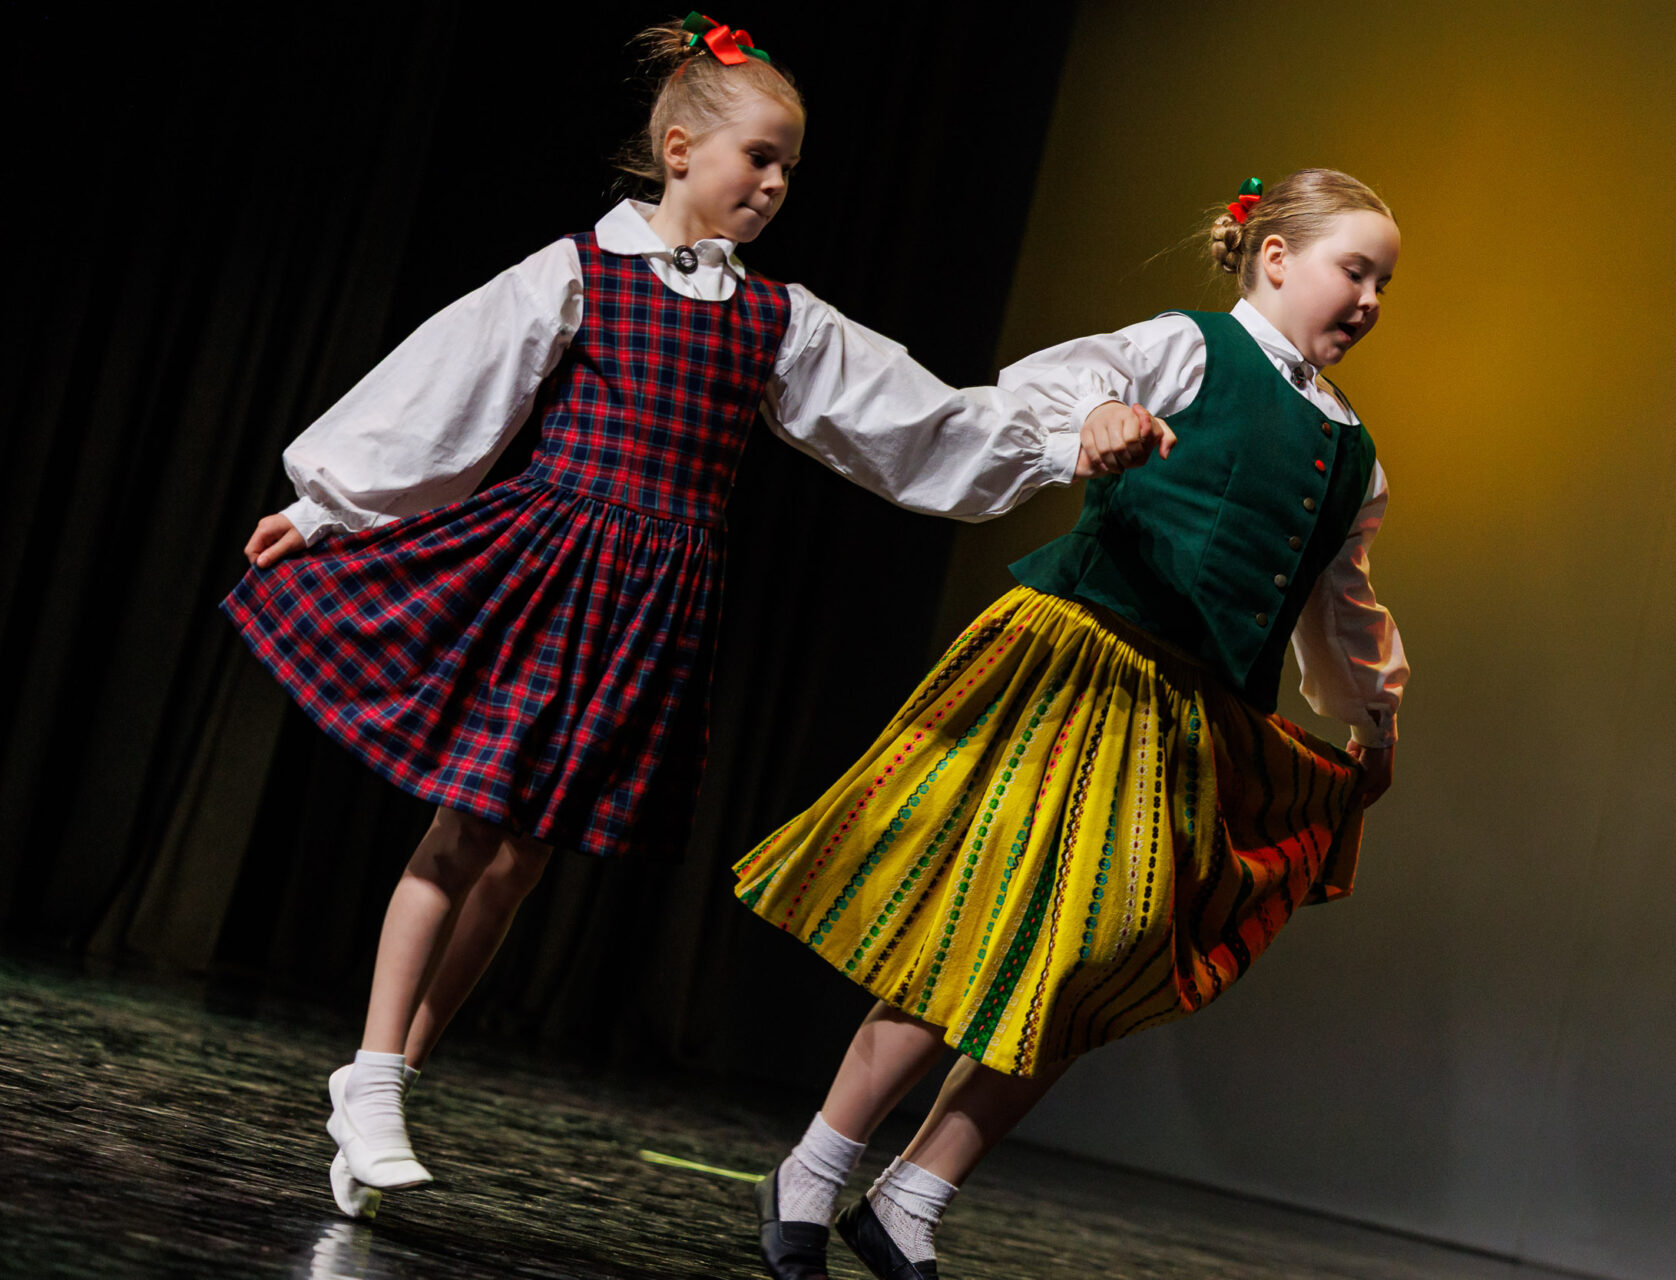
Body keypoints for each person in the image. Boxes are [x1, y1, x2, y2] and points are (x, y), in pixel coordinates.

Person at [220, 12, 1161, 1222]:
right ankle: (373, 1070)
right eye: (758, 158)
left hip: (654, 601)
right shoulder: (580, 272)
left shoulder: (777, 317)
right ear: (679, 149)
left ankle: (392, 1080)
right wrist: (328, 504)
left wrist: (1066, 433)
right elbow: (453, 387)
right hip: (551, 565)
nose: (774, 185)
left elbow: (916, 421)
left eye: (789, 170)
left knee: (522, 856)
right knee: (465, 827)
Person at [736, 169, 1409, 1280]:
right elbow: (1072, 375)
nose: (1371, 299)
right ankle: (815, 1166)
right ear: (1276, 257)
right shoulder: (1193, 348)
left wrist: (1374, 721)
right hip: (1084, 666)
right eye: (1355, 269)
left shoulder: (1354, 455)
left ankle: (912, 1197)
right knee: (978, 921)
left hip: (1194, 719)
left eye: (1384, 283)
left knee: (1095, 961)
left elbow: (1340, 606)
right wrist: (1095, 416)